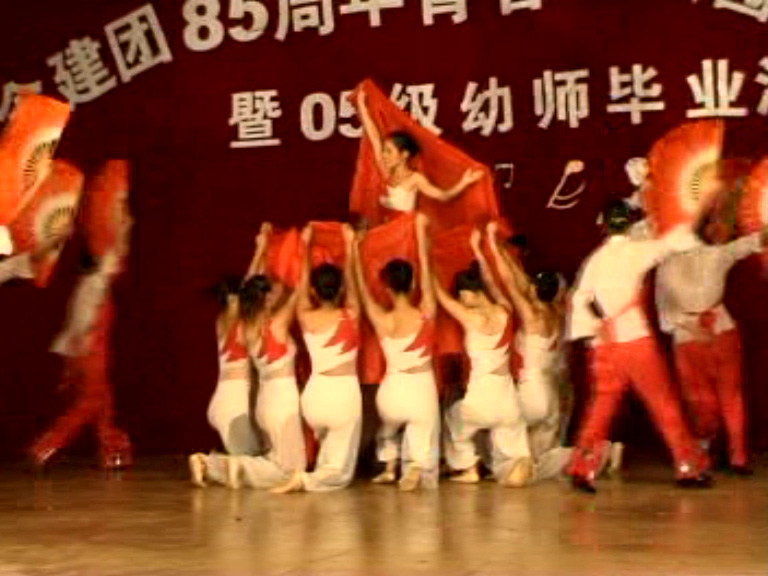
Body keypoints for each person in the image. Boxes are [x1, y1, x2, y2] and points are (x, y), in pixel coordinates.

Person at [567, 200, 711, 492]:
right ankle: (688, 466)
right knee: (663, 404)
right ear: (629, 224)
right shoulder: (637, 251)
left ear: (604, 226)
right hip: (636, 341)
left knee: (601, 407)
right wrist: (691, 217)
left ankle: (582, 468)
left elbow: (578, 299)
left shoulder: (596, 260)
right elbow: (672, 244)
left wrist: (595, 327)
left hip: (606, 343)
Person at [190, 223, 306, 489]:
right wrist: (263, 250)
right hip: (237, 403)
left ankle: (215, 464)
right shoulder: (249, 322)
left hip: (230, 399)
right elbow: (252, 289)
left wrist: (261, 250)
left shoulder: (230, 323)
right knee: (270, 466)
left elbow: (249, 289)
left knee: (264, 460)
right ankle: (213, 463)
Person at [29, 186, 133, 469]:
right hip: (91, 352)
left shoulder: (83, 287)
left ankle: (110, 452)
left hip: (84, 352)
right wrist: (124, 221)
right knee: (90, 403)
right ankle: (46, 446)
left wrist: (71, 364)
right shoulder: (95, 282)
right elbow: (118, 251)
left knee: (104, 402)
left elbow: (72, 328)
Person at [657, 215, 768, 474]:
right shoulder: (708, 255)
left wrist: (689, 327)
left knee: (709, 398)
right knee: (720, 398)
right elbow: (750, 243)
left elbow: (665, 310)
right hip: (706, 333)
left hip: (701, 334)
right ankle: (727, 453)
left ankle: (720, 454)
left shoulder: (694, 257)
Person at [436, 229, 533, 486]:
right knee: (511, 434)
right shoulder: (505, 311)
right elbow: (492, 281)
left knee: (453, 419)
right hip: (508, 403)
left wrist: (428, 262)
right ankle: (516, 461)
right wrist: (480, 248)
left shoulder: (471, 318)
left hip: (479, 404)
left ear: (469, 293)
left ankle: (468, 466)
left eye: (462, 295)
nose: (460, 300)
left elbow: (442, 298)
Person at [353, 213, 440, 491]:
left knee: (387, 429)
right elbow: (426, 271)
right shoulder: (426, 312)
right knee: (422, 427)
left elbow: (362, 291)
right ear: (412, 284)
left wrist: (354, 250)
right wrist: (420, 233)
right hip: (420, 390)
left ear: (386, 287)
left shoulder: (382, 320)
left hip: (390, 394)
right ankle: (415, 464)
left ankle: (389, 466)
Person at [274, 224, 362, 493]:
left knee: (331, 449)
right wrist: (350, 246)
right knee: (340, 473)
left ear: (314, 291)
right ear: (340, 290)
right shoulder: (351, 315)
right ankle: (306, 480)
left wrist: (306, 245)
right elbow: (352, 282)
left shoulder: (305, 316)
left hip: (313, 400)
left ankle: (316, 469)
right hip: (343, 396)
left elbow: (301, 283)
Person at [356, 91, 482, 218]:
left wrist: (464, 182)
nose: (384, 155)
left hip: (405, 229)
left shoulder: (415, 179)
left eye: (389, 151)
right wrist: (362, 106)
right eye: (384, 151)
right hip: (385, 228)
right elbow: (375, 138)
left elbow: (443, 196)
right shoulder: (386, 172)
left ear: (404, 155)